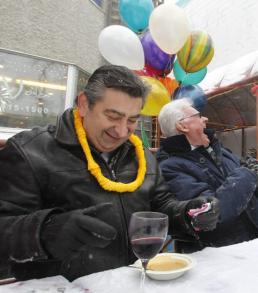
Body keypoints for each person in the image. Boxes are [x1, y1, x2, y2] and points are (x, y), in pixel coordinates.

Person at [0, 65, 220, 281]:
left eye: (132, 120)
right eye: (113, 116)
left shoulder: (141, 155)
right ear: (84, 104)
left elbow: (160, 205)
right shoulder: (29, 152)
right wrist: (44, 232)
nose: (122, 130)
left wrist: (186, 214)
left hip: (131, 282)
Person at [157, 98, 258, 253]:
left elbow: (256, 194)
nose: (206, 119)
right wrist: (249, 173)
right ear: (182, 126)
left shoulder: (221, 151)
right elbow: (215, 214)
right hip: (231, 254)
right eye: (198, 115)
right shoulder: (170, 168)